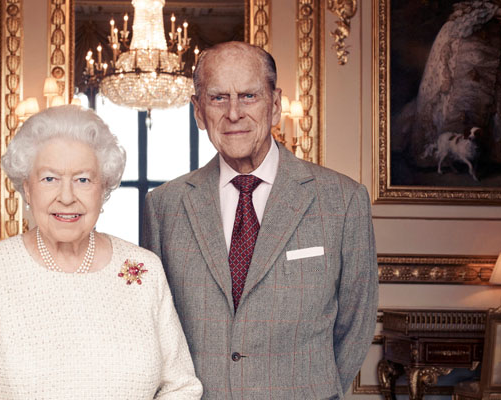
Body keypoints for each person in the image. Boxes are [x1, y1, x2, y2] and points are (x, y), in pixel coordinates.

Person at [142, 41, 378, 399]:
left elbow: (356, 323)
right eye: (218, 98)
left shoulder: (343, 200)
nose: (233, 113)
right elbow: (154, 328)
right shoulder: (164, 206)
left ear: (275, 105)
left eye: (249, 96)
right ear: (198, 112)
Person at [0, 105, 202, 399]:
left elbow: (181, 385)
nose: (67, 197)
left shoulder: (144, 269)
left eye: (83, 179)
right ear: (27, 188)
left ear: (103, 188)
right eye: (49, 179)